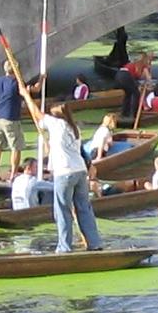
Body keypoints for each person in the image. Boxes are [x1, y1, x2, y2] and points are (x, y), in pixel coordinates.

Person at [40, 101, 101, 253]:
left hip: (65, 172)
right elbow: (80, 150)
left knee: (62, 210)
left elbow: (37, 114)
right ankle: (94, 243)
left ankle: (64, 247)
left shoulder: (56, 124)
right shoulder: (74, 128)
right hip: (80, 170)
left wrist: (25, 95)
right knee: (84, 208)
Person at [0, 65, 26, 181]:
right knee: (16, 147)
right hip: (11, 119)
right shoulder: (17, 82)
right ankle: (13, 174)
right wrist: (41, 79)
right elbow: (32, 91)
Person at [115, 51, 152, 125]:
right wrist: (149, 72)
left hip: (118, 75)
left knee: (128, 93)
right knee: (136, 93)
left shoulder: (135, 64)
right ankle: (133, 115)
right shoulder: (142, 66)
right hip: (125, 75)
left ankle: (124, 113)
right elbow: (148, 78)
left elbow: (137, 76)